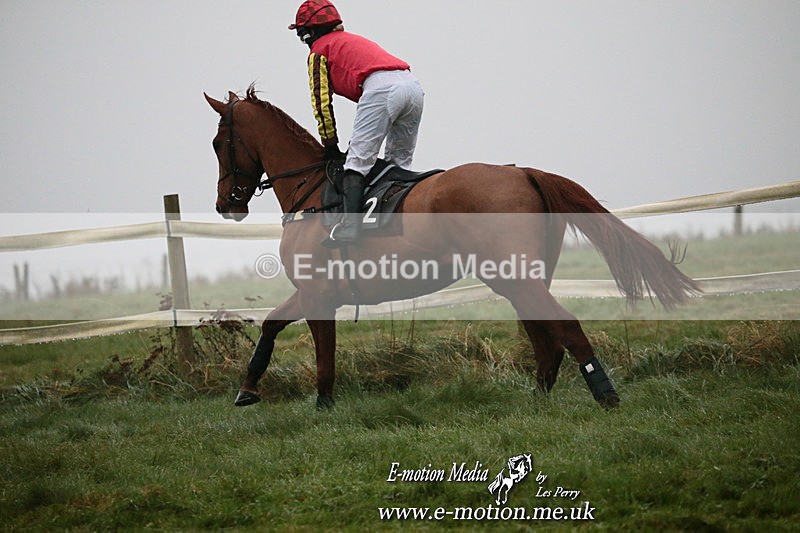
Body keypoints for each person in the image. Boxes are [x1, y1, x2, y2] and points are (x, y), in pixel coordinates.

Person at [289, 0, 424, 246]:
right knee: (397, 163)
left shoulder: (318, 50)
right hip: (412, 86)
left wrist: (330, 144)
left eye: (302, 36)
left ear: (310, 33)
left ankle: (350, 228)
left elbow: (320, 102)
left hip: (381, 88)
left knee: (356, 163)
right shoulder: (351, 39)